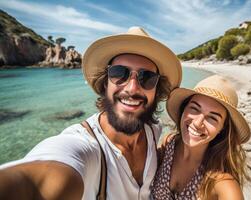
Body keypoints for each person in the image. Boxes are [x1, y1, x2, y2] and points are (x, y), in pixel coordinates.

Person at [0, 27, 182, 200]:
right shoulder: (85, 148)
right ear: (105, 84)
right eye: (120, 73)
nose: (132, 88)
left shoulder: (153, 128)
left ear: (156, 90)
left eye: (147, 78)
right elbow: (37, 179)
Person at [151, 75, 251, 200]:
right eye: (194, 108)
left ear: (222, 128)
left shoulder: (221, 183)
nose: (198, 123)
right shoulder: (169, 144)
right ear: (184, 109)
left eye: (213, 118)